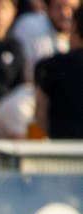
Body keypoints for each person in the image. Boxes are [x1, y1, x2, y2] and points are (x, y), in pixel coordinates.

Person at [34, 4, 83, 139]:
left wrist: (35, 149)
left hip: (61, 150)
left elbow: (39, 117)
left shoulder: (52, 65)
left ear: (74, 27)